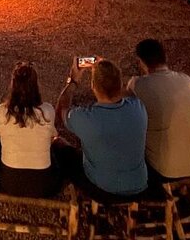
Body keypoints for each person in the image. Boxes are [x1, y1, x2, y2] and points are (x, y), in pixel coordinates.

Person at [55, 58, 148, 198]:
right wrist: (109, 72)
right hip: (138, 185)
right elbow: (127, 94)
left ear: (93, 85)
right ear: (120, 84)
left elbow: (60, 111)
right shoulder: (138, 107)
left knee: (59, 145)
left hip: (102, 189)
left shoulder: (85, 118)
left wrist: (73, 81)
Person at [127, 40, 190, 181]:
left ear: (141, 62)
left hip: (164, 168)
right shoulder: (187, 80)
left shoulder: (139, 85)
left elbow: (120, 104)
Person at [0, 62, 59, 197]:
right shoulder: (47, 111)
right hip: (42, 185)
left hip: (9, 183)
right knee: (59, 145)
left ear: (13, 86)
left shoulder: (1, 111)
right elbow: (52, 138)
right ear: (35, 86)